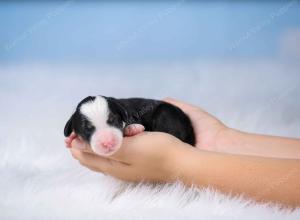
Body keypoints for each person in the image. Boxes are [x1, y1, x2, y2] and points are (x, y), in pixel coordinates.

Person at [65, 98, 300, 207]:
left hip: (170, 121)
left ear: (121, 116)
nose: (105, 139)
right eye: (89, 130)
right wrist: (223, 141)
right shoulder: (105, 112)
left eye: (113, 123)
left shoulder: (124, 110)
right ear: (74, 129)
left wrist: (176, 162)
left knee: (157, 117)